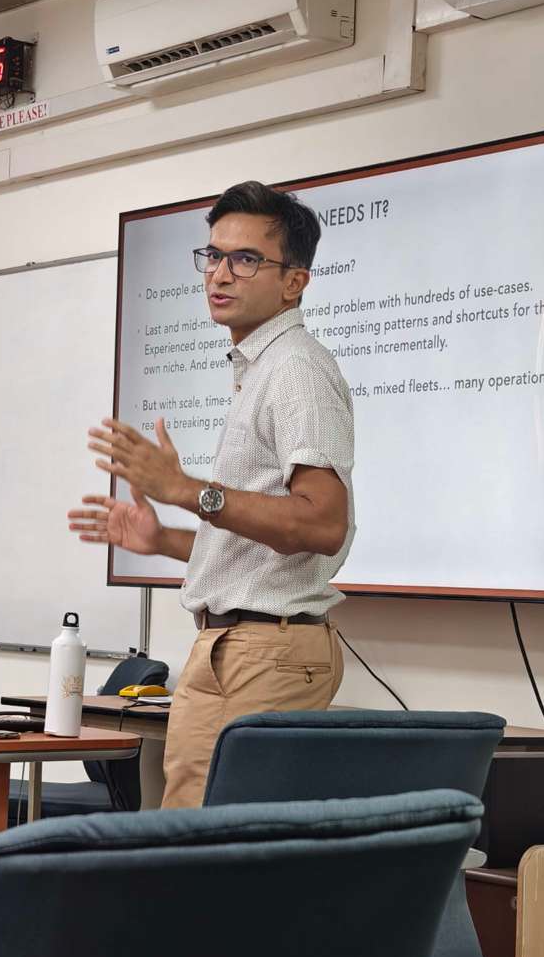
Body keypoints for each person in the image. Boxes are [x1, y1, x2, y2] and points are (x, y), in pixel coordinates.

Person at [68, 180, 355, 808]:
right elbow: (257, 547)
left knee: (203, 850)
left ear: (294, 282)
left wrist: (186, 490)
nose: (219, 274)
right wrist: (163, 540)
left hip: (262, 652)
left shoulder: (296, 369)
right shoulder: (260, 369)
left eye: (245, 259)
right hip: (240, 645)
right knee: (197, 840)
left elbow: (322, 523)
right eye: (214, 255)